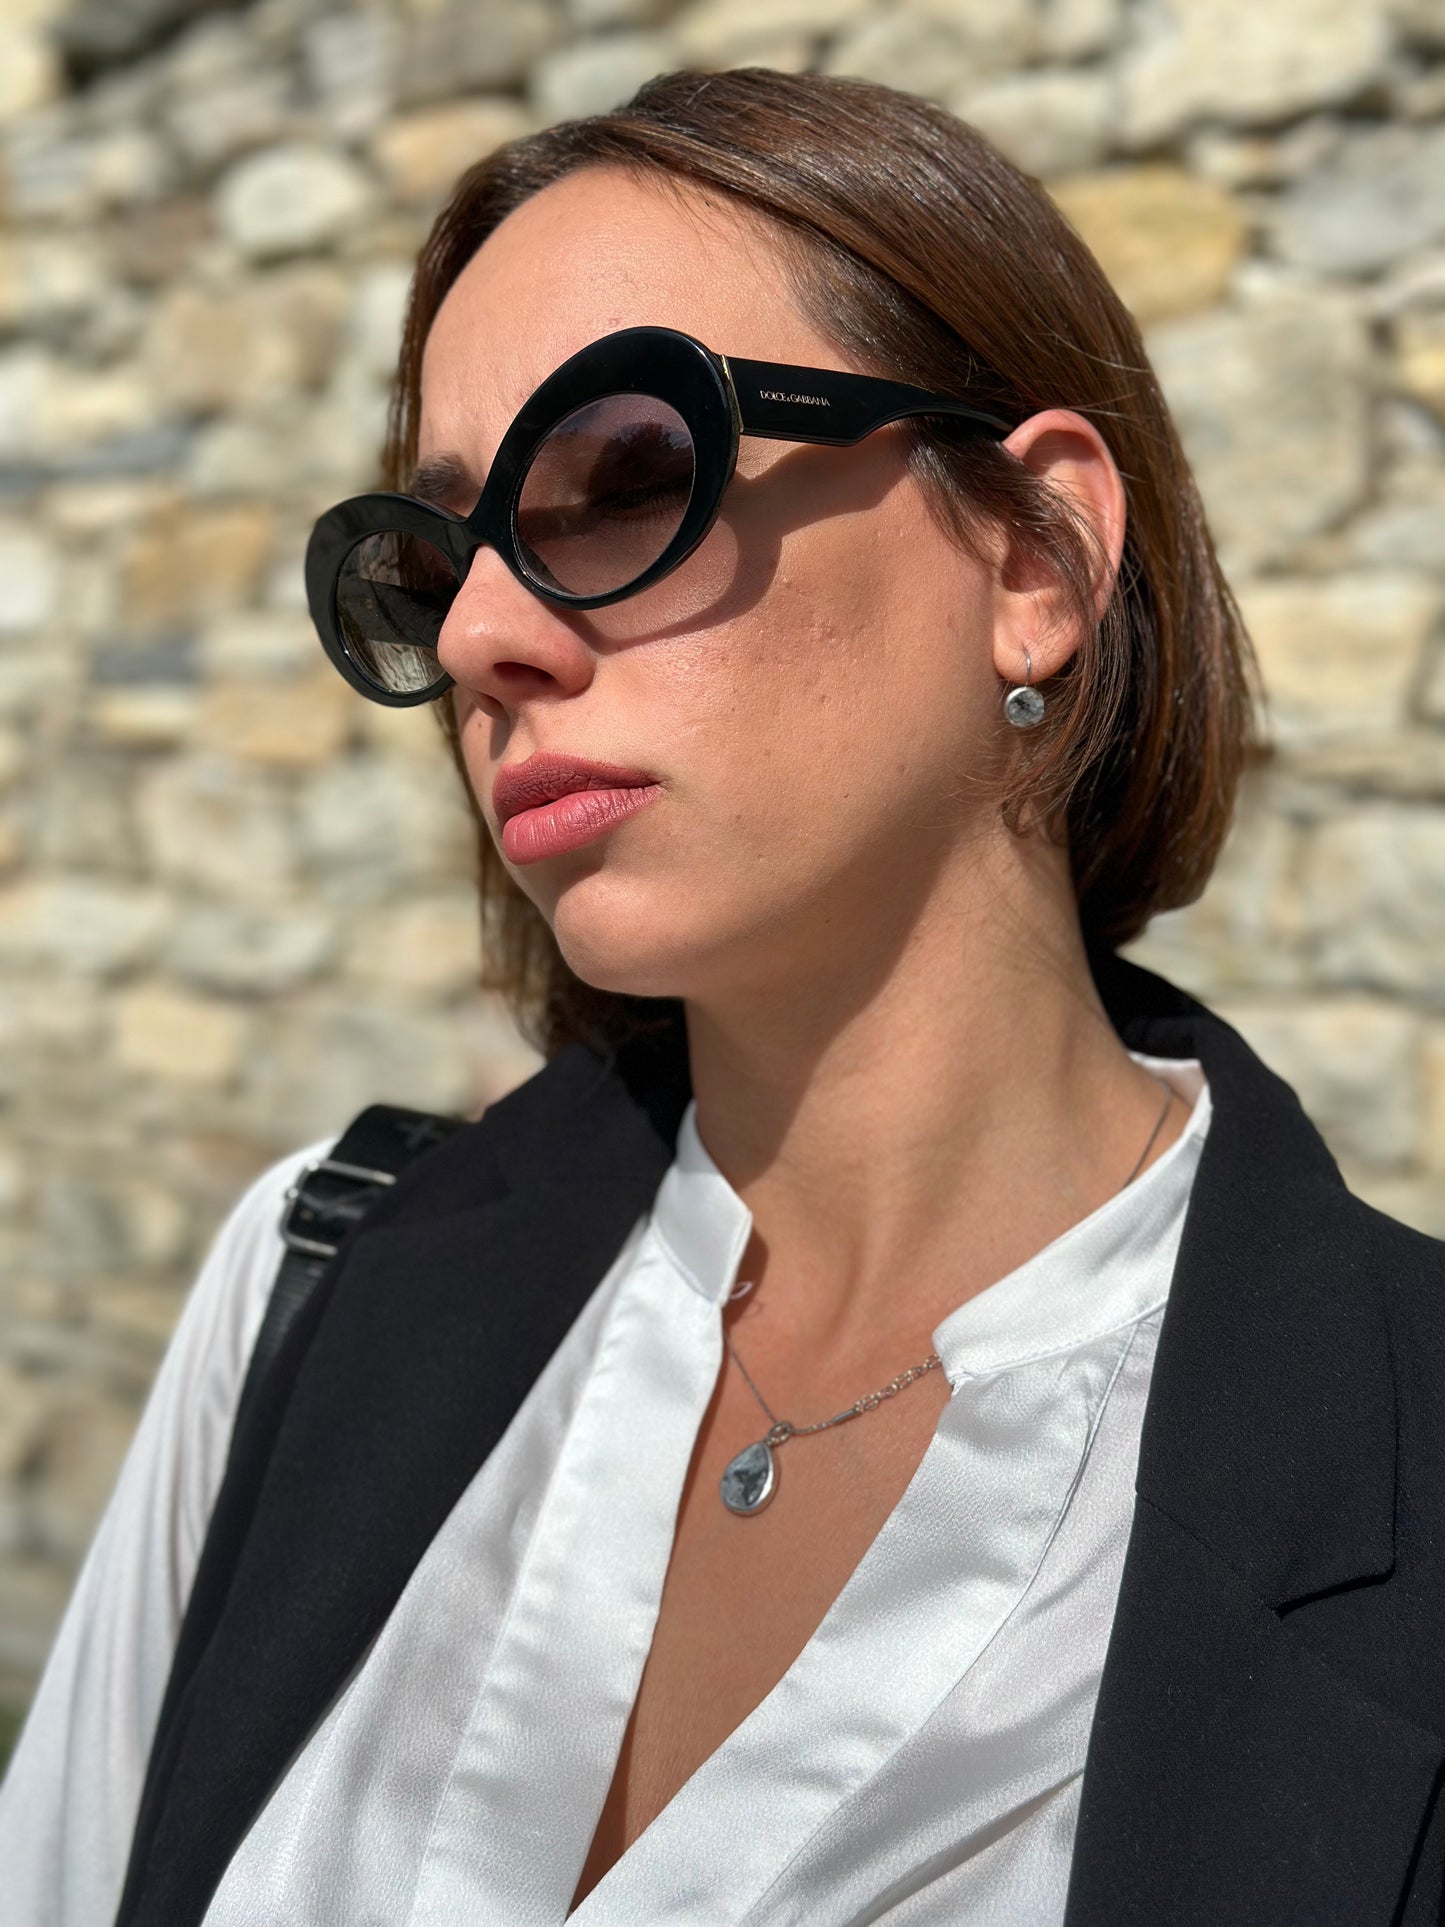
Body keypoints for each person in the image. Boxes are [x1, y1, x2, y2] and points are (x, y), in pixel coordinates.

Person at [3, 63, 1444, 1927]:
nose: (475, 638)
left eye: (623, 479)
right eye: (430, 559)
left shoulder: (1401, 1479)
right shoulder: (313, 1283)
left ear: (1032, 554)